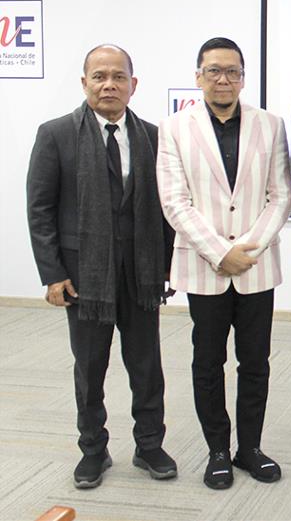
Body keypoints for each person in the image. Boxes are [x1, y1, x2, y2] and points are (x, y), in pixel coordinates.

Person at [26, 44, 177, 489]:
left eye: (118, 77)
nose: (109, 85)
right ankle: (93, 449)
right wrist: (53, 274)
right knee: (90, 368)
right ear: (84, 83)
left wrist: (168, 265)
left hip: (141, 275)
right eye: (99, 76)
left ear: (133, 84)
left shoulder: (153, 136)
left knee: (146, 366)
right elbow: (40, 210)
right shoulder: (56, 135)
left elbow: (167, 210)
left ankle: (149, 445)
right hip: (84, 277)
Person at [156, 37, 291, 490]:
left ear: (243, 78)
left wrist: (246, 250)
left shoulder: (270, 125)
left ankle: (249, 448)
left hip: (255, 267)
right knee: (208, 363)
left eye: (232, 71)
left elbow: (281, 196)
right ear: (198, 76)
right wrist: (220, 252)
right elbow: (175, 203)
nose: (223, 79)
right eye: (214, 71)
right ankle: (217, 450)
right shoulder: (174, 128)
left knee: (255, 363)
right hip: (205, 268)